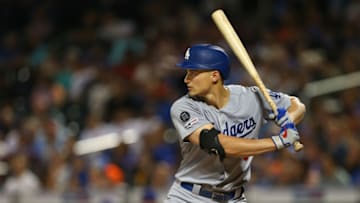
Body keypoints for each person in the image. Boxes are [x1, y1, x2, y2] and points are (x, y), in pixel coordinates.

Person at [165, 44, 306, 203]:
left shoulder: (251, 97)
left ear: (214, 76)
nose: (186, 79)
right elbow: (216, 144)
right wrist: (278, 141)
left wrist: (289, 119)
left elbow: (297, 105)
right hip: (190, 196)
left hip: (234, 197)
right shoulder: (183, 107)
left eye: (193, 72)